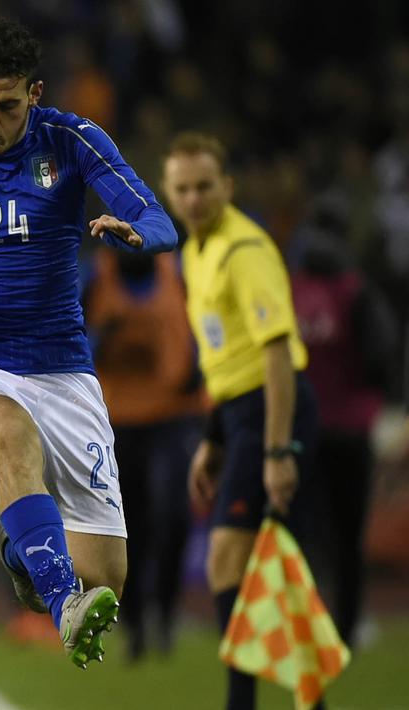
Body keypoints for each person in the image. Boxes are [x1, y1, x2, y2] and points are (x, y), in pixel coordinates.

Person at [0, 17, 178, 669]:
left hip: (62, 369)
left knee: (107, 577)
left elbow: (155, 218)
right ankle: (60, 606)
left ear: (35, 93)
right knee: (11, 436)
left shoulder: (73, 141)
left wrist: (140, 237)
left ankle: (22, 545)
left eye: (5, 106)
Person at [162, 131, 320, 710]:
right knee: (277, 574)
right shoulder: (195, 251)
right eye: (183, 188)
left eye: (206, 186)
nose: (195, 198)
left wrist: (278, 452)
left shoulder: (244, 251)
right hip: (241, 414)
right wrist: (214, 435)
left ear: (227, 186)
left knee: (231, 559)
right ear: (168, 192)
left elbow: (276, 357)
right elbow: (224, 355)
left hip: (275, 410)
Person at [82, 248, 206, 660]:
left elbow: (208, 325)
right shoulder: (96, 278)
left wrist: (200, 368)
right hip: (119, 418)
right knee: (127, 523)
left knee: (174, 514)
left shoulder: (180, 274)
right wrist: (104, 339)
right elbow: (69, 335)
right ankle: (133, 622)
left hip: (173, 413)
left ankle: (167, 613)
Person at [291, 216, 396, 646]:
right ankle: (348, 626)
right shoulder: (357, 291)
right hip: (350, 429)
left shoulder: (289, 289)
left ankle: (301, 623)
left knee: (301, 534)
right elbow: (381, 353)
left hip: (299, 428)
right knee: (348, 535)